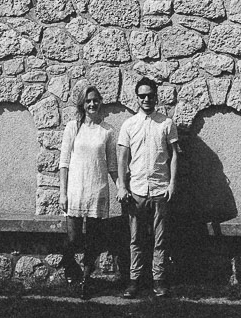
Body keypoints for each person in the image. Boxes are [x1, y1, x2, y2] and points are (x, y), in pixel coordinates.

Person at [115, 75, 181, 298]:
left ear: (156, 97)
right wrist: (121, 186)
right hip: (137, 191)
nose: (146, 99)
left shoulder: (166, 123)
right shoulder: (129, 125)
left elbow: (174, 156)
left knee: (160, 239)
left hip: (160, 190)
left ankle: (159, 280)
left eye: (150, 95)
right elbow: (122, 158)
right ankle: (134, 280)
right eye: (142, 96)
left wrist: (172, 183)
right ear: (137, 98)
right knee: (136, 239)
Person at [57, 86, 119, 299]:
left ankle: (86, 280)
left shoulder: (108, 131)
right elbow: (64, 163)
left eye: (95, 100)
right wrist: (62, 193)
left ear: (100, 102)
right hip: (75, 190)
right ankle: (68, 261)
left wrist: (121, 187)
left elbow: (112, 165)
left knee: (93, 240)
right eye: (88, 101)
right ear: (82, 105)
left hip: (97, 190)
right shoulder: (73, 127)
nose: (92, 104)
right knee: (74, 238)